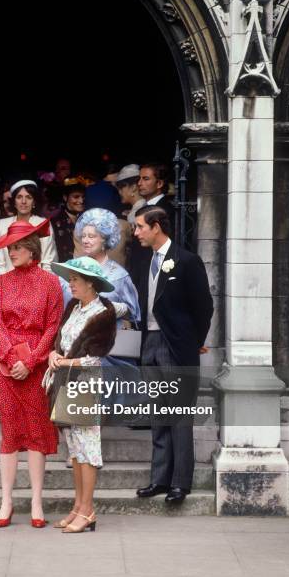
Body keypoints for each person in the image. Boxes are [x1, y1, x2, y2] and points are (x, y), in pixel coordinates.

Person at [134, 206, 213, 504]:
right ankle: (159, 479)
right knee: (158, 414)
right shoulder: (145, 262)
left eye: (141, 226)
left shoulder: (187, 261)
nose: (137, 232)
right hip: (149, 343)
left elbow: (204, 307)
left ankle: (180, 483)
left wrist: (193, 342)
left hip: (175, 345)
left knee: (179, 415)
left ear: (156, 226)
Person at [0, 218, 63, 528]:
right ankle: (6, 500)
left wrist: (32, 360)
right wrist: (9, 356)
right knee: (9, 432)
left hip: (36, 364)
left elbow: (53, 325)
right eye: (9, 248)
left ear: (31, 249)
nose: (11, 252)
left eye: (16, 247)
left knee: (36, 431)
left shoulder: (50, 282)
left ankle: (36, 500)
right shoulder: (1, 282)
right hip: (5, 366)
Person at [49, 257, 117, 532]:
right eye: (71, 278)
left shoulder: (103, 314)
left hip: (85, 386)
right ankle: (78, 506)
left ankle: (88, 510)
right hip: (66, 383)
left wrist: (66, 362)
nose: (71, 283)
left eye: (75, 279)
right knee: (75, 449)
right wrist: (54, 353)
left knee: (88, 449)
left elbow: (97, 358)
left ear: (91, 283)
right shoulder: (74, 307)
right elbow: (61, 340)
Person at [70, 208, 140, 323]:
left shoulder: (120, 276)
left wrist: (108, 308)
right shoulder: (71, 270)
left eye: (91, 236)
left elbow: (133, 314)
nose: (85, 241)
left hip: (109, 337)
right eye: (83, 236)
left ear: (105, 240)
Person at [0, 179, 58, 276]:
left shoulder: (43, 224)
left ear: (34, 201)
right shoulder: (1, 225)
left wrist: (40, 288)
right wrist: (10, 287)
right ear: (14, 201)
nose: (23, 201)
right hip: (9, 285)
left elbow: (49, 262)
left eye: (28, 197)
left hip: (39, 285)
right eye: (19, 197)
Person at [50, 177, 85, 262]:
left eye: (83, 197)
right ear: (65, 198)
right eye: (76, 197)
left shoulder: (87, 219)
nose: (81, 200)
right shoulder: (55, 222)